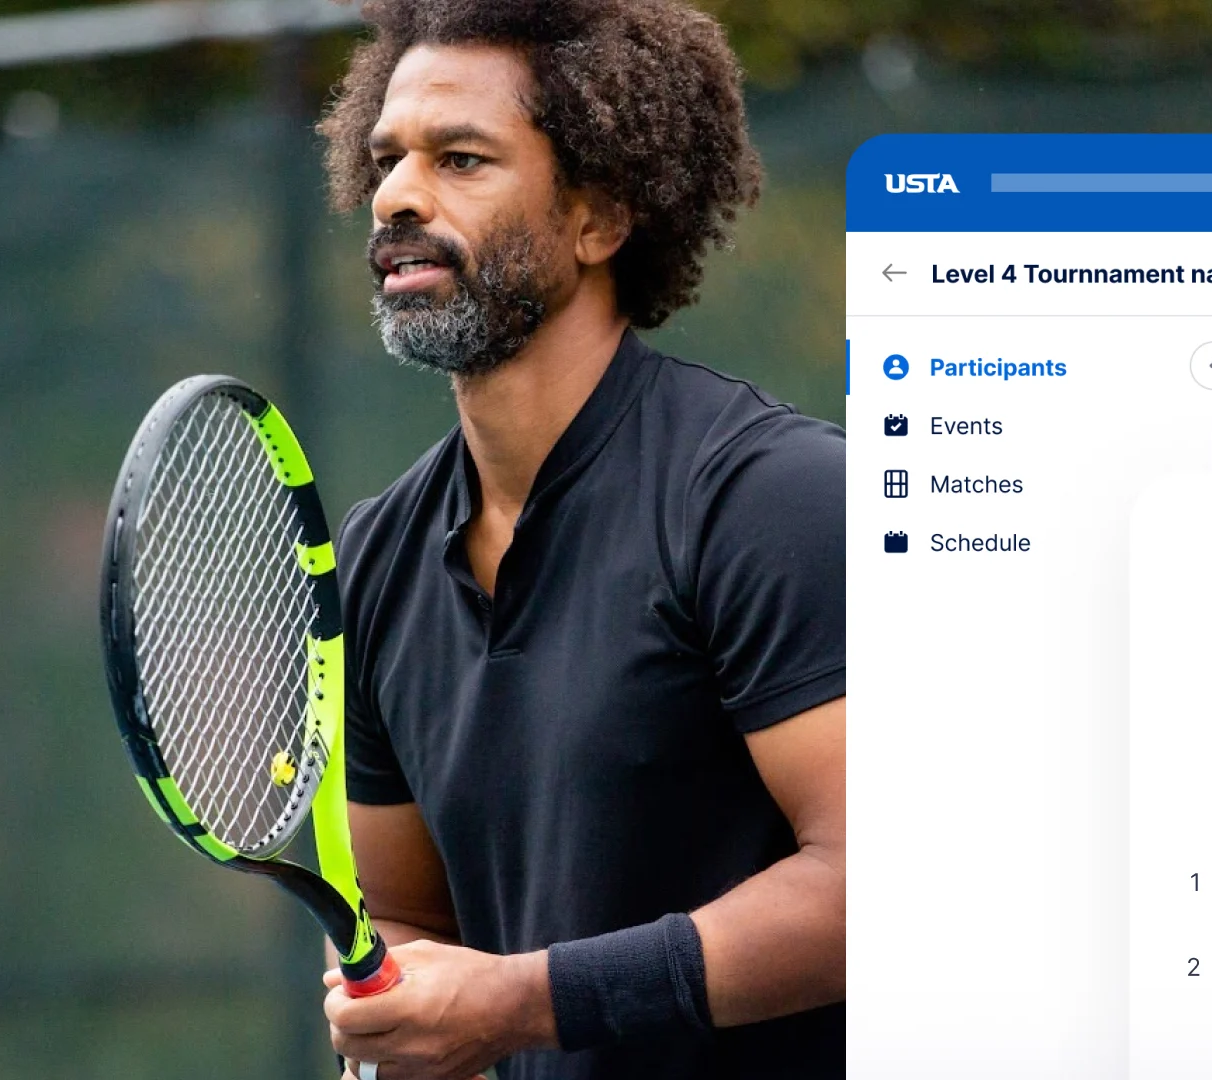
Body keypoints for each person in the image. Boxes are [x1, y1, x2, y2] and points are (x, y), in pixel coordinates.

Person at [313, 3, 846, 1079]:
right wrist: (400, 1019)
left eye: (462, 159)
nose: (398, 196)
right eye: (389, 159)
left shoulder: (770, 498)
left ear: (598, 219)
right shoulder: (377, 561)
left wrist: (522, 1001)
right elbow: (409, 918)